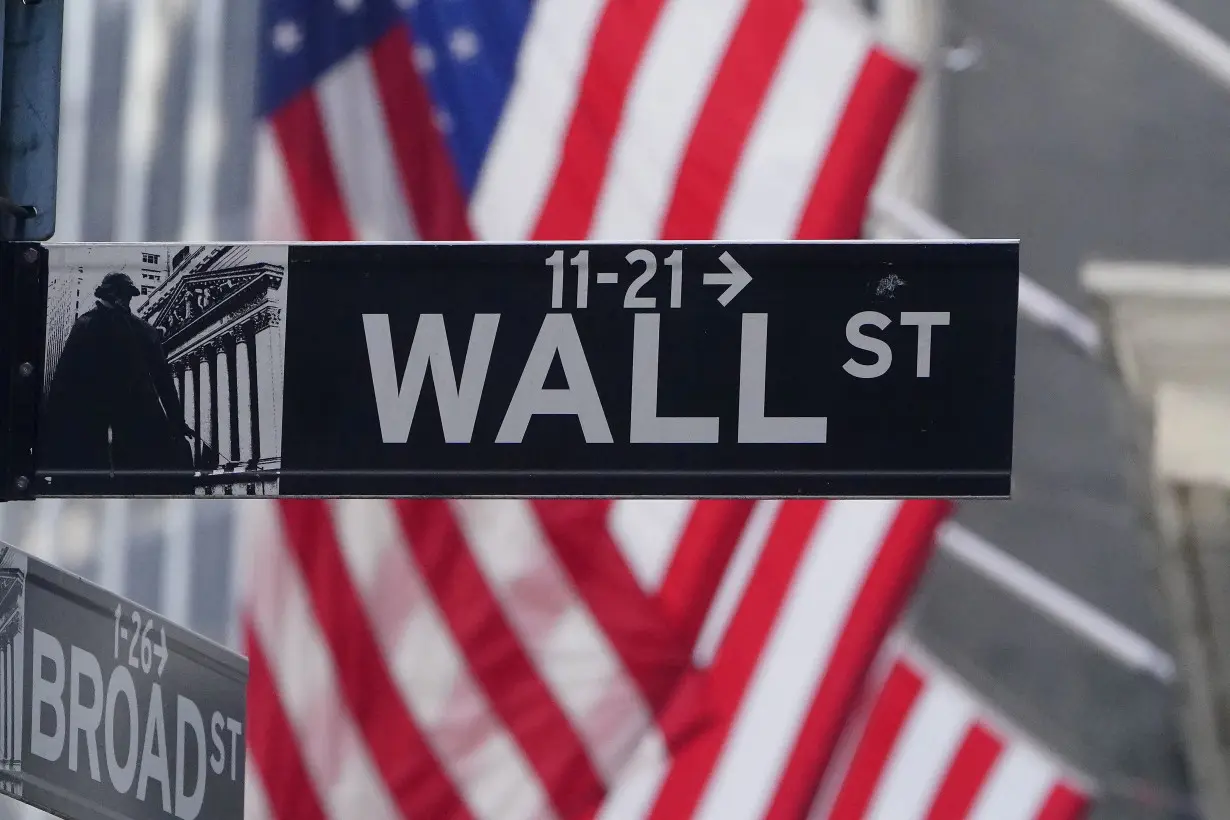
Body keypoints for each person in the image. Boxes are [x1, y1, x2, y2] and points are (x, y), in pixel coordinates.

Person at [38, 271, 196, 494]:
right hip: (100, 425)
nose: (127, 301)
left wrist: (177, 421)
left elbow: (163, 380)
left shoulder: (135, 330)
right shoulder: (89, 325)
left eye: (129, 296)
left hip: (128, 424)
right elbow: (63, 384)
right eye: (124, 295)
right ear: (111, 295)